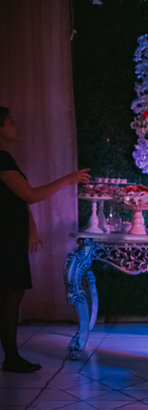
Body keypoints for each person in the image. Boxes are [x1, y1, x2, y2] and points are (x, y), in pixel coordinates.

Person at [0, 107, 90, 373]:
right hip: (5, 238)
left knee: (11, 295)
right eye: (11, 122)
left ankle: (12, 357)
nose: (16, 126)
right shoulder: (1, 159)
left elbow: (17, 198)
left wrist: (32, 227)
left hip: (11, 235)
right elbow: (29, 194)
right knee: (10, 295)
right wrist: (67, 179)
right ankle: (11, 358)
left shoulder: (6, 158)